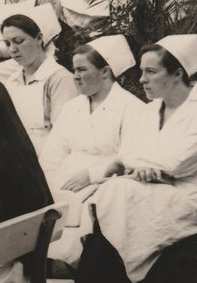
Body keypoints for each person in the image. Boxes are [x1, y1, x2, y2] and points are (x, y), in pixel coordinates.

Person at [53, 35, 197, 283]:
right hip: (155, 184)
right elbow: (128, 152)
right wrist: (144, 165)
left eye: (151, 71)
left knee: (119, 191)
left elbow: (178, 162)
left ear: (177, 74)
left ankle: (97, 273)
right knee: (114, 190)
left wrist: (144, 164)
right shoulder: (150, 109)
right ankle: (93, 269)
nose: (141, 78)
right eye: (142, 71)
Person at [38, 35, 143, 227]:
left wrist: (92, 174)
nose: (75, 76)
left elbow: (130, 159)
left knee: (81, 225)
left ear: (105, 72)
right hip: (62, 184)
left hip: (104, 184)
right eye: (74, 70)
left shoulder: (132, 108)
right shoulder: (72, 107)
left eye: (82, 70)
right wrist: (48, 187)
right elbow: (52, 154)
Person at [0, 6, 74, 151]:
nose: (12, 49)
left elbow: (64, 135)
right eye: (8, 43)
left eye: (19, 41)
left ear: (39, 38)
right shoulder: (12, 80)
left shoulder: (59, 78)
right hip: (19, 153)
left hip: (49, 155)